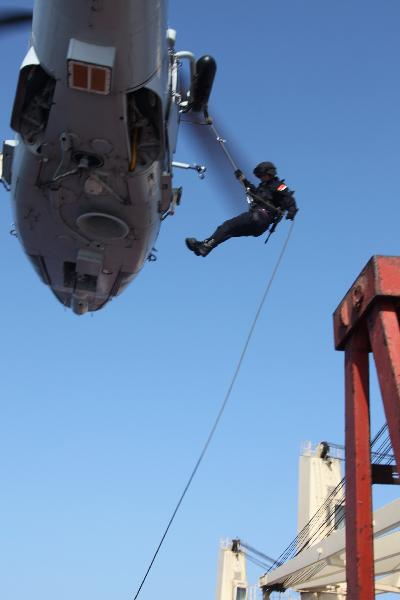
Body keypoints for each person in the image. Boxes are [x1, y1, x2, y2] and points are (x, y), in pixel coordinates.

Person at [185, 161, 298, 257]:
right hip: (259, 227)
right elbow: (254, 193)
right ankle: (204, 247)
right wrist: (243, 180)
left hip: (259, 218)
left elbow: (288, 198)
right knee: (229, 231)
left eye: (262, 175)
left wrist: (291, 211)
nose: (260, 178)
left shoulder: (278, 185)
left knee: (227, 226)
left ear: (269, 174)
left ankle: (205, 247)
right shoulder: (263, 188)